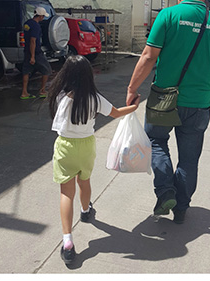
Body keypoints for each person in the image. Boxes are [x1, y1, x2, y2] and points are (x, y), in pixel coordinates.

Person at [126, 0, 210, 225]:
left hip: (164, 98)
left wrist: (132, 87)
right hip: (198, 104)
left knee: (155, 141)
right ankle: (182, 208)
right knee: (189, 158)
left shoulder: (168, 15)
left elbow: (148, 56)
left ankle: (165, 191)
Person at [47, 55, 140, 264]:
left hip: (65, 147)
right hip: (86, 146)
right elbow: (115, 113)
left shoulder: (60, 95)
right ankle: (86, 210)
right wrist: (134, 107)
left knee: (66, 193)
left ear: (66, 74)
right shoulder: (94, 98)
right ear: (89, 75)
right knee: (85, 181)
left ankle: (68, 242)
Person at [20, 7, 52, 100]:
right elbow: (33, 41)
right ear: (41, 16)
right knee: (47, 70)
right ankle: (42, 91)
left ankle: (24, 92)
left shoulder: (27, 23)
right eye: (43, 16)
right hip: (36, 52)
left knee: (26, 71)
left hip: (26, 51)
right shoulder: (36, 26)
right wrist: (33, 56)